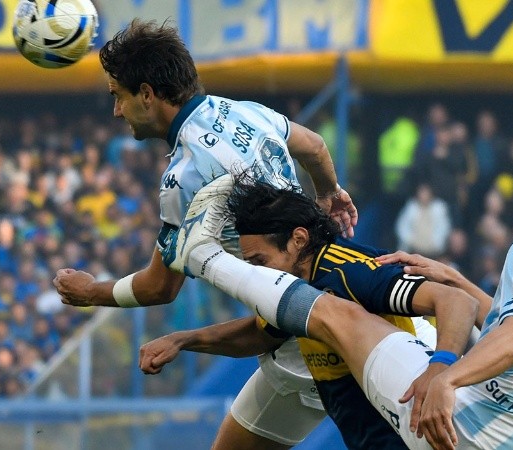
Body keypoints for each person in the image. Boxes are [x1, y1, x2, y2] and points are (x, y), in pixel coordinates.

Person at [161, 144, 513, 448]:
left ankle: (204, 255)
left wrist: (445, 372)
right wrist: (458, 279)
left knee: (333, 313)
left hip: (464, 430)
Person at [52, 19, 358, 450]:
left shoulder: (185, 176)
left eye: (117, 97)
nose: (116, 111)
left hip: (302, 342)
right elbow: (314, 147)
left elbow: (160, 287)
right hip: (333, 289)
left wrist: (92, 292)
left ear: (147, 94)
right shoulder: (243, 111)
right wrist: (330, 192)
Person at [144, 174, 480, 449]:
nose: (257, 274)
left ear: (298, 239)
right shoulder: (288, 285)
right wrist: (183, 340)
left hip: (409, 429)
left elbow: (457, 302)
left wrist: (440, 370)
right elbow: (262, 334)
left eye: (260, 262)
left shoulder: (350, 271)